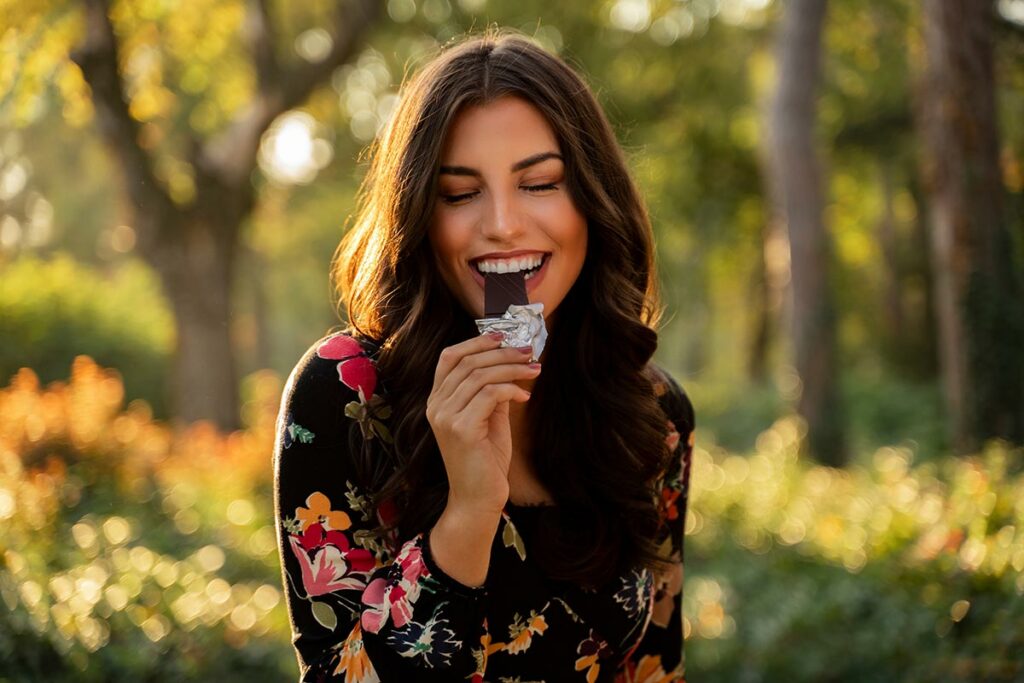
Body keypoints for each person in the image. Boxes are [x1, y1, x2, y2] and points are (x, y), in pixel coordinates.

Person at [274, 30, 695, 683]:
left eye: (541, 182)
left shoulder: (651, 411)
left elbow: (656, 668)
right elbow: (337, 673)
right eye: (460, 193)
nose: (501, 223)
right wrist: (469, 510)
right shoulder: (346, 394)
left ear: (592, 200)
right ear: (421, 216)